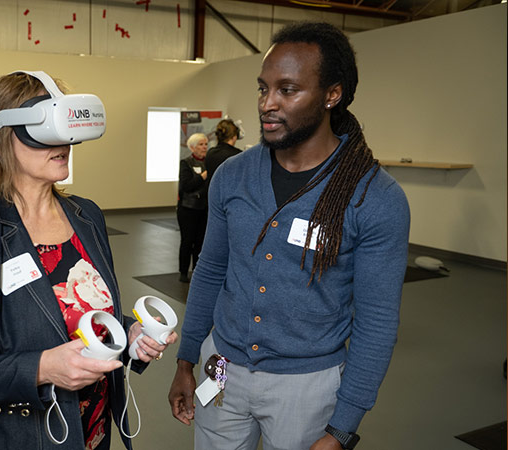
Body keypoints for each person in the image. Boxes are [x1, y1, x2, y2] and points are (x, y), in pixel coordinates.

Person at [168, 22, 410, 450]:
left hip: (306, 387)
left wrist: (342, 427)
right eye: (263, 89)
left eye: (288, 90)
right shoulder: (233, 176)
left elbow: (376, 324)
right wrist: (187, 359)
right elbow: (211, 271)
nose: (268, 104)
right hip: (220, 367)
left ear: (331, 95)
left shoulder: (374, 197)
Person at [0, 71, 176, 450]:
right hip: (24, 436)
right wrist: (42, 369)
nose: (60, 143)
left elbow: (75, 317)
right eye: (40, 128)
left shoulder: (86, 216)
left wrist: (130, 336)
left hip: (92, 429)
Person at [177, 133, 209, 283]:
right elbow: (186, 185)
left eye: (206, 144)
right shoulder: (186, 163)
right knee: (187, 241)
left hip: (204, 209)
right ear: (192, 147)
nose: (204, 147)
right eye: (201, 144)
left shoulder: (210, 163)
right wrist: (202, 177)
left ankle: (197, 270)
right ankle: (183, 272)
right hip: (188, 209)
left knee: (200, 242)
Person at [204, 119, 243, 186]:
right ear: (234, 137)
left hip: (212, 193)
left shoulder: (210, 153)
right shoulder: (237, 155)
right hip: (230, 194)